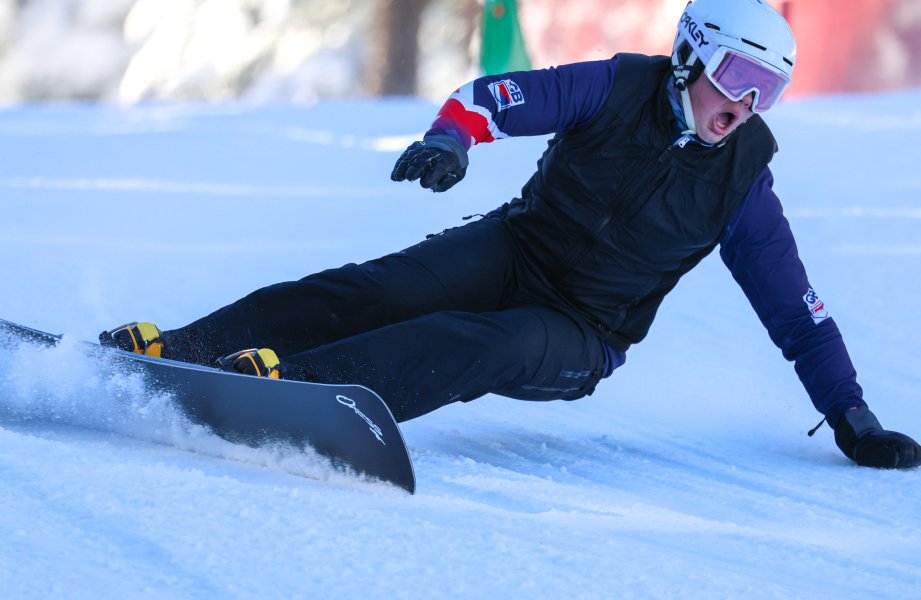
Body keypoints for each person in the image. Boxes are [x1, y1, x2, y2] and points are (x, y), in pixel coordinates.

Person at [101, 0, 920, 469]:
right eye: (738, 78)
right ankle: (183, 350)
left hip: (581, 331)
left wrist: (850, 415)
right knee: (371, 289)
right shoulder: (617, 87)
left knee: (466, 340)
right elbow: (498, 96)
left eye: (767, 91)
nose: (742, 107)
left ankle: (294, 390)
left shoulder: (742, 179)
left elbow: (797, 313)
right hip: (515, 248)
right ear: (692, 56)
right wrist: (449, 139)